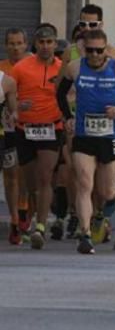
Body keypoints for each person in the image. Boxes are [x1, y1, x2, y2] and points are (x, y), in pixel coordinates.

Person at [55, 29, 115, 254]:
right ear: (84, 49)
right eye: (90, 50)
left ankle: (113, 190)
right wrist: (68, 117)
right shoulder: (75, 67)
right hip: (84, 134)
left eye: (100, 50)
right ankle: (85, 235)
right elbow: (59, 94)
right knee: (84, 183)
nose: (95, 55)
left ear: (106, 49)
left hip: (109, 135)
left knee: (105, 192)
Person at [11, 24, 65, 250]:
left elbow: (72, 94)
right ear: (35, 44)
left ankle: (40, 227)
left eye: (49, 42)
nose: (45, 47)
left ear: (55, 44)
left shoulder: (64, 69)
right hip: (25, 129)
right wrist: (16, 106)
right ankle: (38, 213)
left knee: (45, 177)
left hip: (52, 127)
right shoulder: (22, 67)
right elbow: (8, 93)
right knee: (32, 183)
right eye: (41, 42)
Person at [0, 28, 28, 242]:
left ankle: (23, 213)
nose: (15, 47)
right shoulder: (2, 70)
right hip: (6, 131)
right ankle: (15, 220)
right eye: (11, 43)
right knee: (11, 176)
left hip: (27, 128)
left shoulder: (33, 66)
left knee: (23, 175)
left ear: (26, 44)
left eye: (19, 43)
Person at [0, 66, 18, 244]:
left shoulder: (6, 81)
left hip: (3, 137)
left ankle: (15, 221)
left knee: (12, 178)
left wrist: (15, 113)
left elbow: (14, 111)